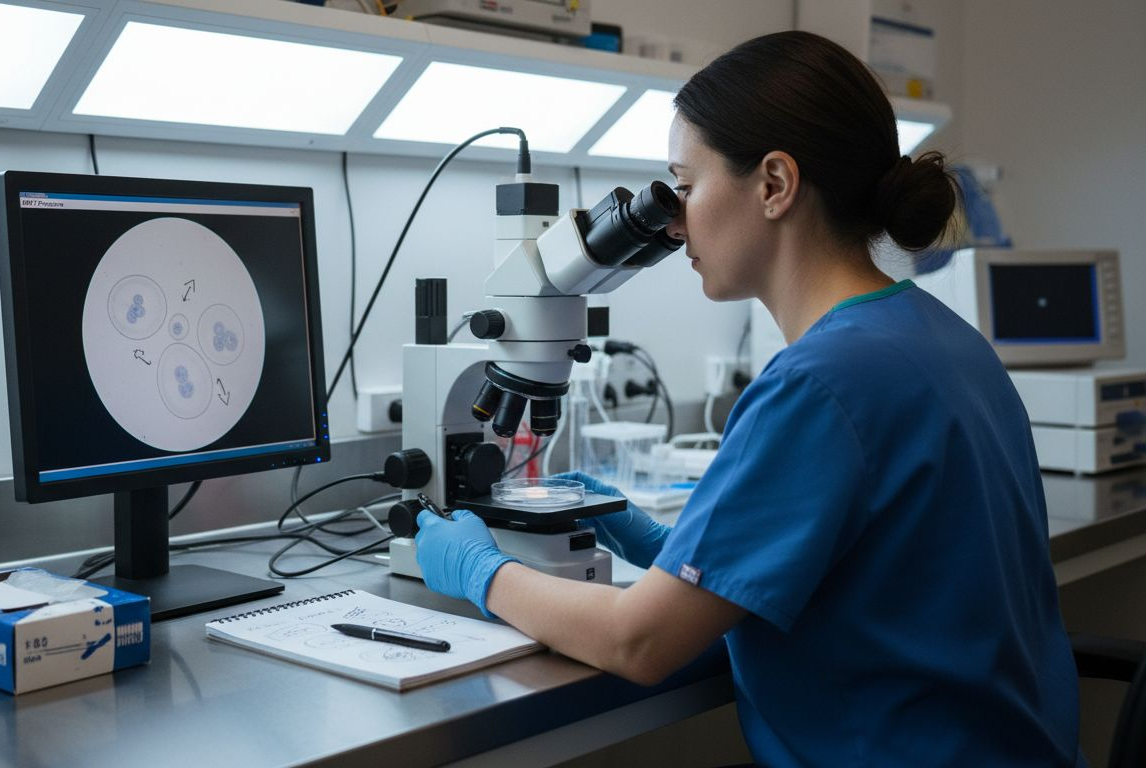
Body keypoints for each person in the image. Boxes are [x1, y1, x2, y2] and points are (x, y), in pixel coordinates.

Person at [414, 30, 1084, 767]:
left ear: (774, 184)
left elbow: (638, 642)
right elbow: (881, 577)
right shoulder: (945, 338)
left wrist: (478, 569)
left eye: (687, 185)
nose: (673, 221)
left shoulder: (819, 383)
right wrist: (671, 550)